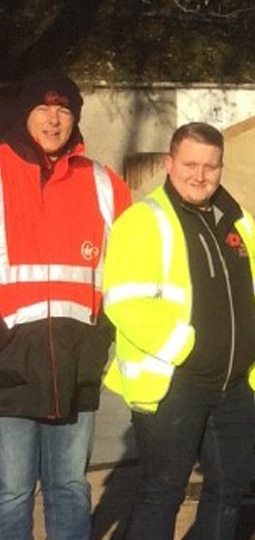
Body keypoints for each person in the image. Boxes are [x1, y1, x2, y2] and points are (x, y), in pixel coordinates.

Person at [101, 122, 255, 539]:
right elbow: (125, 303)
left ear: (221, 167)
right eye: (190, 164)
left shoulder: (238, 221)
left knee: (229, 489)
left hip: (233, 384)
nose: (200, 175)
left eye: (210, 166)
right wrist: (188, 349)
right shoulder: (144, 220)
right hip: (175, 383)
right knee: (162, 491)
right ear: (169, 163)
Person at [0, 70, 131, 540]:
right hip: (7, 369)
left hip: (77, 366)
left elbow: (128, 271)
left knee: (70, 488)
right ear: (23, 113)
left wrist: (102, 341)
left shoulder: (103, 183)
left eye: (63, 109)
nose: (53, 120)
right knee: (11, 492)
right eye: (43, 108)